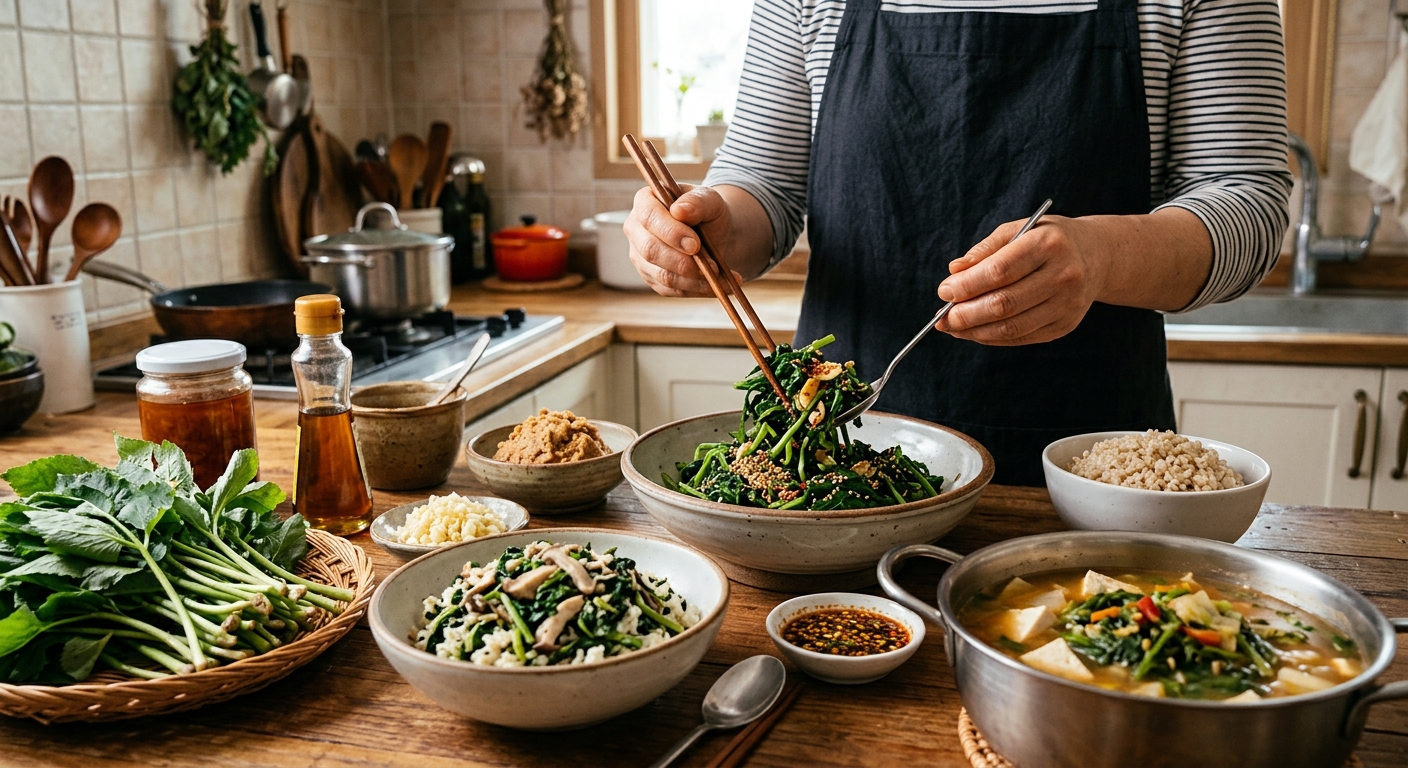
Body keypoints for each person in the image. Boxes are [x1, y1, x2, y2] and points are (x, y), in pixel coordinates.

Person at [624, 0, 1292, 485]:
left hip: (1094, 472)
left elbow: (1249, 203)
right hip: (835, 450)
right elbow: (764, 185)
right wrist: (711, 230)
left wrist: (1101, 256)